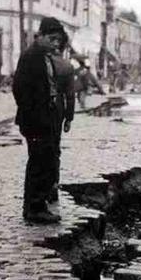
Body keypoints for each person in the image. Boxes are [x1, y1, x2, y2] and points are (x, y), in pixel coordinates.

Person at [12, 17, 66, 224]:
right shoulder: (31, 56)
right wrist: (34, 115)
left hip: (44, 120)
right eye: (52, 39)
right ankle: (34, 208)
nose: (55, 44)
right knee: (39, 164)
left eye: (57, 40)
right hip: (35, 122)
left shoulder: (43, 55)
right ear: (41, 35)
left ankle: (37, 205)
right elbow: (19, 89)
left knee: (46, 162)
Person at [49, 32, 75, 203]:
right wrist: (69, 118)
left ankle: (39, 190)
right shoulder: (67, 66)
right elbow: (70, 95)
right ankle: (53, 187)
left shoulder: (42, 62)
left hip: (40, 108)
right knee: (54, 149)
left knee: (38, 151)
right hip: (57, 108)